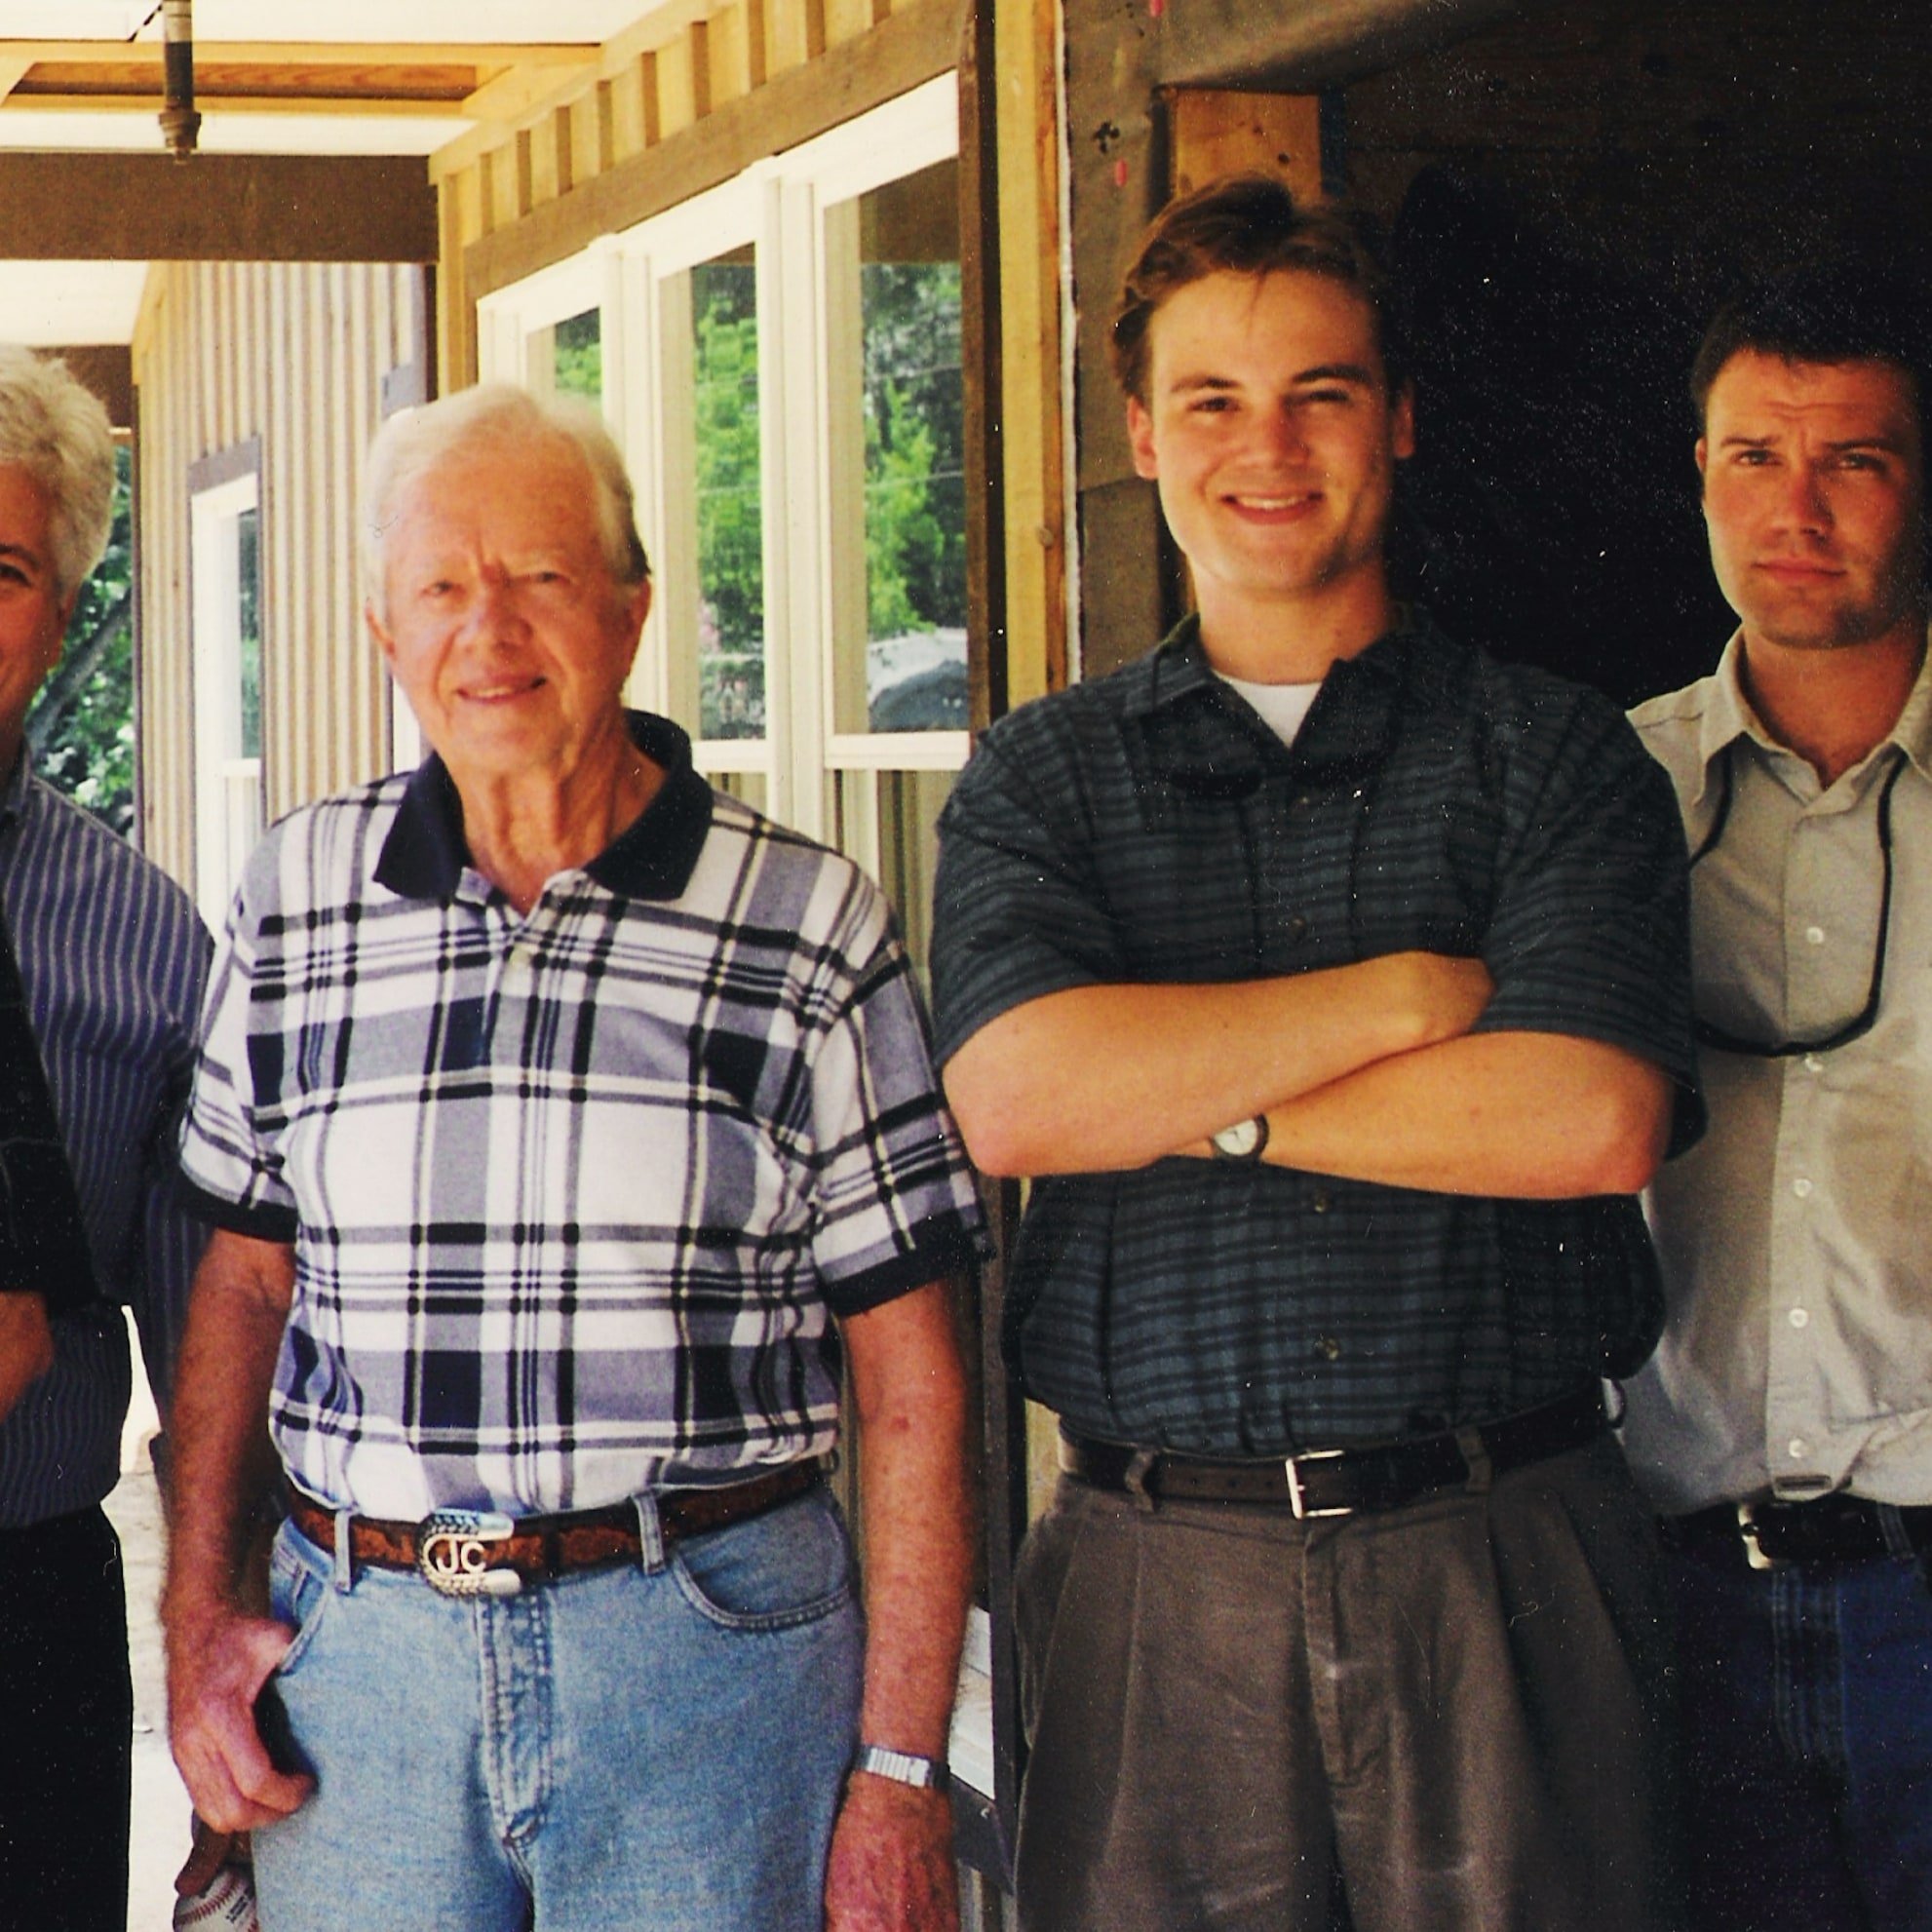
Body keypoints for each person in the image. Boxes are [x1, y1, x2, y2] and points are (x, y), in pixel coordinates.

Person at [929, 174, 1702, 1932]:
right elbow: (1021, 1092)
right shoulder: (1045, 778)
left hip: (1503, 1558)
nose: (1261, 447)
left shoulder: (1553, 754)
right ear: (1138, 431)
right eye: (1209, 400)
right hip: (1151, 1578)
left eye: (1319, 395)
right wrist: (1411, 997)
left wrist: (1195, 1095)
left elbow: (1586, 1113)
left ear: (1401, 419)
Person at [161, 382, 985, 1932]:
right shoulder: (297, 899)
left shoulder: (806, 924)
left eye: (541, 576)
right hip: (366, 1677)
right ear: (381, 628)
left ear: (630, 605)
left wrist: (896, 1768)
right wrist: (199, 1609)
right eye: (442, 587)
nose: (493, 629)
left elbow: (916, 1380)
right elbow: (240, 1284)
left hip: (708, 1659)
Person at [1619, 263, 1932, 1930]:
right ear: (1696, 474)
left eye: (1853, 461)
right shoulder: (1598, 794)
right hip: (1682, 1601)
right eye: (1753, 456)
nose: (1793, 507)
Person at [0, 345, 211, 1929]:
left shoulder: (137, 940)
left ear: (61, 611)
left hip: (27, 1610)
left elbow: (216, 1351)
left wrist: (221, 1648)